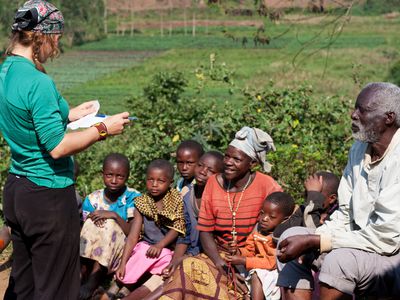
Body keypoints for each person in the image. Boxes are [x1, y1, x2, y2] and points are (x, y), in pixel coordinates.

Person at [0, 1, 131, 299]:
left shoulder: (7, 70)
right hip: (47, 197)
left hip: (18, 190)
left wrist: (70, 115)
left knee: (25, 281)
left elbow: (28, 117)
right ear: (41, 36)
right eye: (56, 38)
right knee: (56, 286)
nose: (56, 46)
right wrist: (102, 129)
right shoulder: (38, 81)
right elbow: (57, 147)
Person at [277, 82, 400, 300]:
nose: (353, 114)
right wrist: (315, 238)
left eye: (363, 110)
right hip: (360, 244)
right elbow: (345, 213)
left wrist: (319, 241)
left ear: (388, 118)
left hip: (392, 255)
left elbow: (387, 238)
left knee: (339, 261)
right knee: (291, 237)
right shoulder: (360, 148)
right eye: (355, 108)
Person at [160, 126, 282, 300]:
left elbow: (285, 218)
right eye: (227, 156)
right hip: (219, 255)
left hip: (254, 256)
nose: (228, 162)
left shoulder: (267, 186)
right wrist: (220, 264)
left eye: (237, 159)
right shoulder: (213, 183)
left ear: (252, 164)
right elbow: (205, 231)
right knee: (186, 270)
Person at [115, 159, 185, 295]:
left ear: (170, 182)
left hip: (166, 249)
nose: (154, 185)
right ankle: (123, 284)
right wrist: (123, 263)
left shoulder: (176, 199)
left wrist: (160, 245)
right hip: (146, 247)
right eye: (150, 180)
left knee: (164, 258)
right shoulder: (142, 202)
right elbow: (133, 236)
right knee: (140, 252)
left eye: (160, 181)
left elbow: (177, 228)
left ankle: (130, 288)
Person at [79, 153, 141, 299]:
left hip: (120, 250)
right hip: (90, 252)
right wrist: (94, 219)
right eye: (109, 175)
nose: (114, 180)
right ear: (102, 174)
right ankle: (81, 276)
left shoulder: (133, 198)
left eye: (120, 176)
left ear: (127, 176)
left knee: (109, 225)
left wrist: (114, 216)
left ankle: (92, 281)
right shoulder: (93, 198)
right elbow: (85, 229)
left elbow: (132, 233)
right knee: (91, 222)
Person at [225, 192, 295, 300]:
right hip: (258, 264)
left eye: (271, 217)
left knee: (257, 274)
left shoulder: (281, 237)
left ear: (284, 220)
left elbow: (271, 262)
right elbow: (250, 250)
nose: (264, 218)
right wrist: (238, 251)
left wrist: (244, 260)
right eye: (262, 213)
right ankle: (247, 293)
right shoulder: (259, 228)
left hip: (275, 271)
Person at [272, 171, 340, 239]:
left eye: (316, 193)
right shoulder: (306, 208)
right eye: (309, 193)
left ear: (332, 198)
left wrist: (314, 197)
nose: (309, 197)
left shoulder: (337, 218)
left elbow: (313, 235)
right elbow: (278, 233)